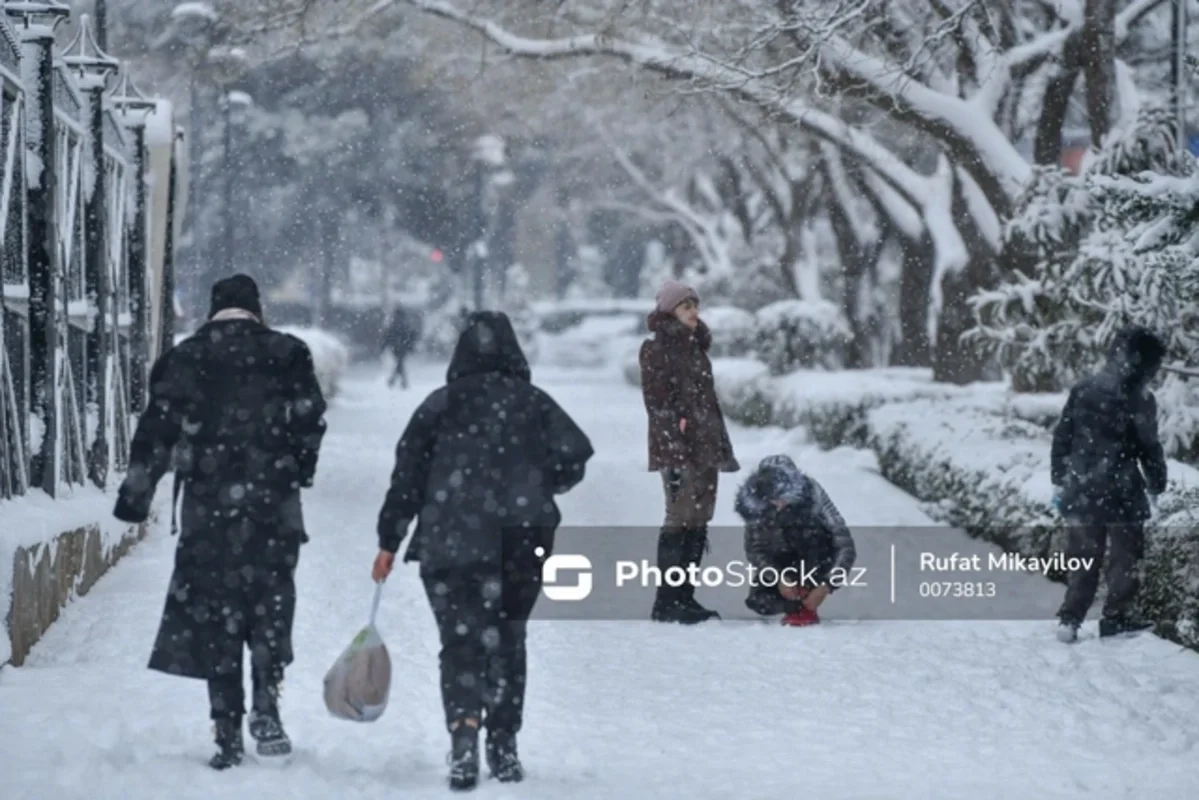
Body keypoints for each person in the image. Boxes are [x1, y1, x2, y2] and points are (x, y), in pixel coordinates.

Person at [371, 311, 593, 791]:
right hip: (522, 539)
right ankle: (504, 745)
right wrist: (541, 484)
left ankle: (464, 731)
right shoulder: (534, 404)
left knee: (460, 641)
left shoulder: (440, 405)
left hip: (449, 542)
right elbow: (577, 453)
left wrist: (390, 539)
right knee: (509, 640)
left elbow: (406, 476)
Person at [112, 274, 327, 769]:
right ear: (257, 310)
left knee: (217, 614)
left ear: (213, 311)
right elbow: (310, 419)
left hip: (209, 510)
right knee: (271, 602)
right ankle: (268, 701)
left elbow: (156, 433)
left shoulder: (185, 359)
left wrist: (136, 497)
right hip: (274, 506)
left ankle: (226, 728)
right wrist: (299, 469)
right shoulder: (287, 353)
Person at [1051, 324, 1168, 643]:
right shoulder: (1140, 398)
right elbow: (1148, 445)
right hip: (1122, 490)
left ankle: (1070, 618)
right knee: (1125, 559)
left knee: (1083, 557)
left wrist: (1060, 478)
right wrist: (1158, 481)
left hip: (1082, 487)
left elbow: (1063, 434)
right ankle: (1116, 617)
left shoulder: (1084, 388)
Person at [639, 279, 739, 624]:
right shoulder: (656, 350)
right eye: (686, 306)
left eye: (695, 305)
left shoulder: (696, 348)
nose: (694, 312)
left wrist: (718, 446)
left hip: (705, 446)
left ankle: (685, 597)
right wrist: (675, 452)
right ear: (670, 310)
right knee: (679, 519)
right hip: (679, 450)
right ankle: (666, 601)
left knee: (699, 520)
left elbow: (706, 405)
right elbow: (658, 406)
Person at [734, 455, 856, 626]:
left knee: (808, 534)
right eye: (772, 498)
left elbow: (845, 546)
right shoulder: (756, 506)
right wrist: (778, 578)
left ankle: (808, 596)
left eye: (783, 496)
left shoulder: (814, 495)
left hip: (814, 556)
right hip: (781, 561)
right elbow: (755, 550)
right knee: (760, 601)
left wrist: (826, 586)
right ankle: (794, 603)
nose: (778, 503)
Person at [381, 304, 422, 389]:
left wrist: (385, 345)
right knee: (400, 363)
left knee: (400, 363)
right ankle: (399, 381)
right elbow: (411, 335)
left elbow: (388, 335)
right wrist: (411, 345)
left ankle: (394, 381)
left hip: (396, 347)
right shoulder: (404, 323)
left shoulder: (395, 323)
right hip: (403, 347)